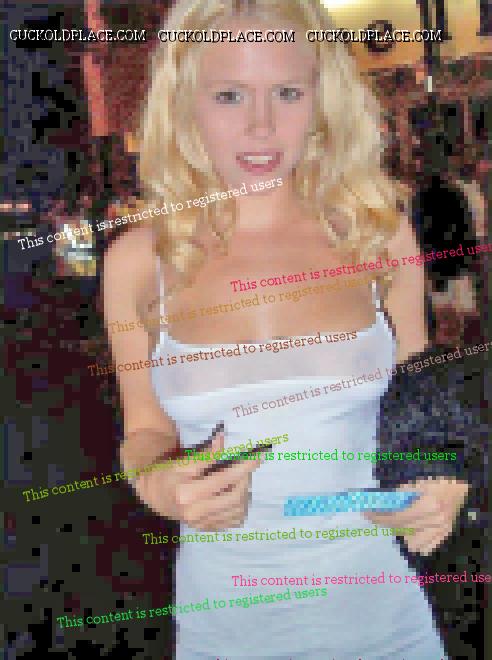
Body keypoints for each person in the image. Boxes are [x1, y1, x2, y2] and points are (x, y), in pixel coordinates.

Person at [103, 1, 468, 657]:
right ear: (184, 102)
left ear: (323, 98)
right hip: (226, 629)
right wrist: (160, 484)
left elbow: (420, 409)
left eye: (288, 93)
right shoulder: (138, 262)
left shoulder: (378, 236)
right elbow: (145, 432)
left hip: (383, 623)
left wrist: (438, 479)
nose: (261, 125)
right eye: (229, 95)